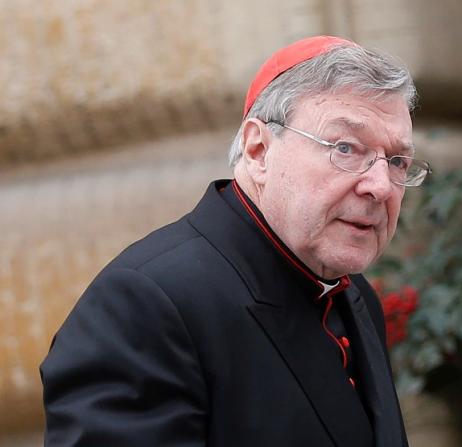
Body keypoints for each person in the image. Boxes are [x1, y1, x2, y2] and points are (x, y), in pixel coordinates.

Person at [41, 35, 430, 447]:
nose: (380, 187)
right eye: (346, 148)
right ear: (258, 149)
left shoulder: (355, 296)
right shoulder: (145, 304)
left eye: (397, 161)